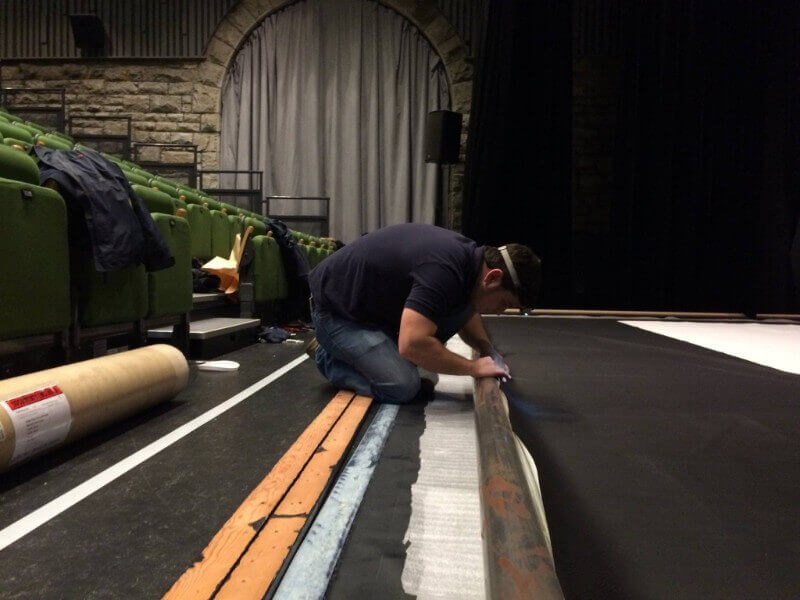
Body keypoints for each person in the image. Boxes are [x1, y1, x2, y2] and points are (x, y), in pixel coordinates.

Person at [306, 223, 542, 404]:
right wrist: (474, 368)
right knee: (403, 386)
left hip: (369, 309)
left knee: (463, 308)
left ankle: (367, 352)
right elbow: (411, 345)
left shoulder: (470, 263)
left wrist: (486, 348)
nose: (500, 312)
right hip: (336, 315)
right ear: (493, 277)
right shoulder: (443, 270)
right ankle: (326, 356)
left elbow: (468, 312)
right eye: (504, 303)